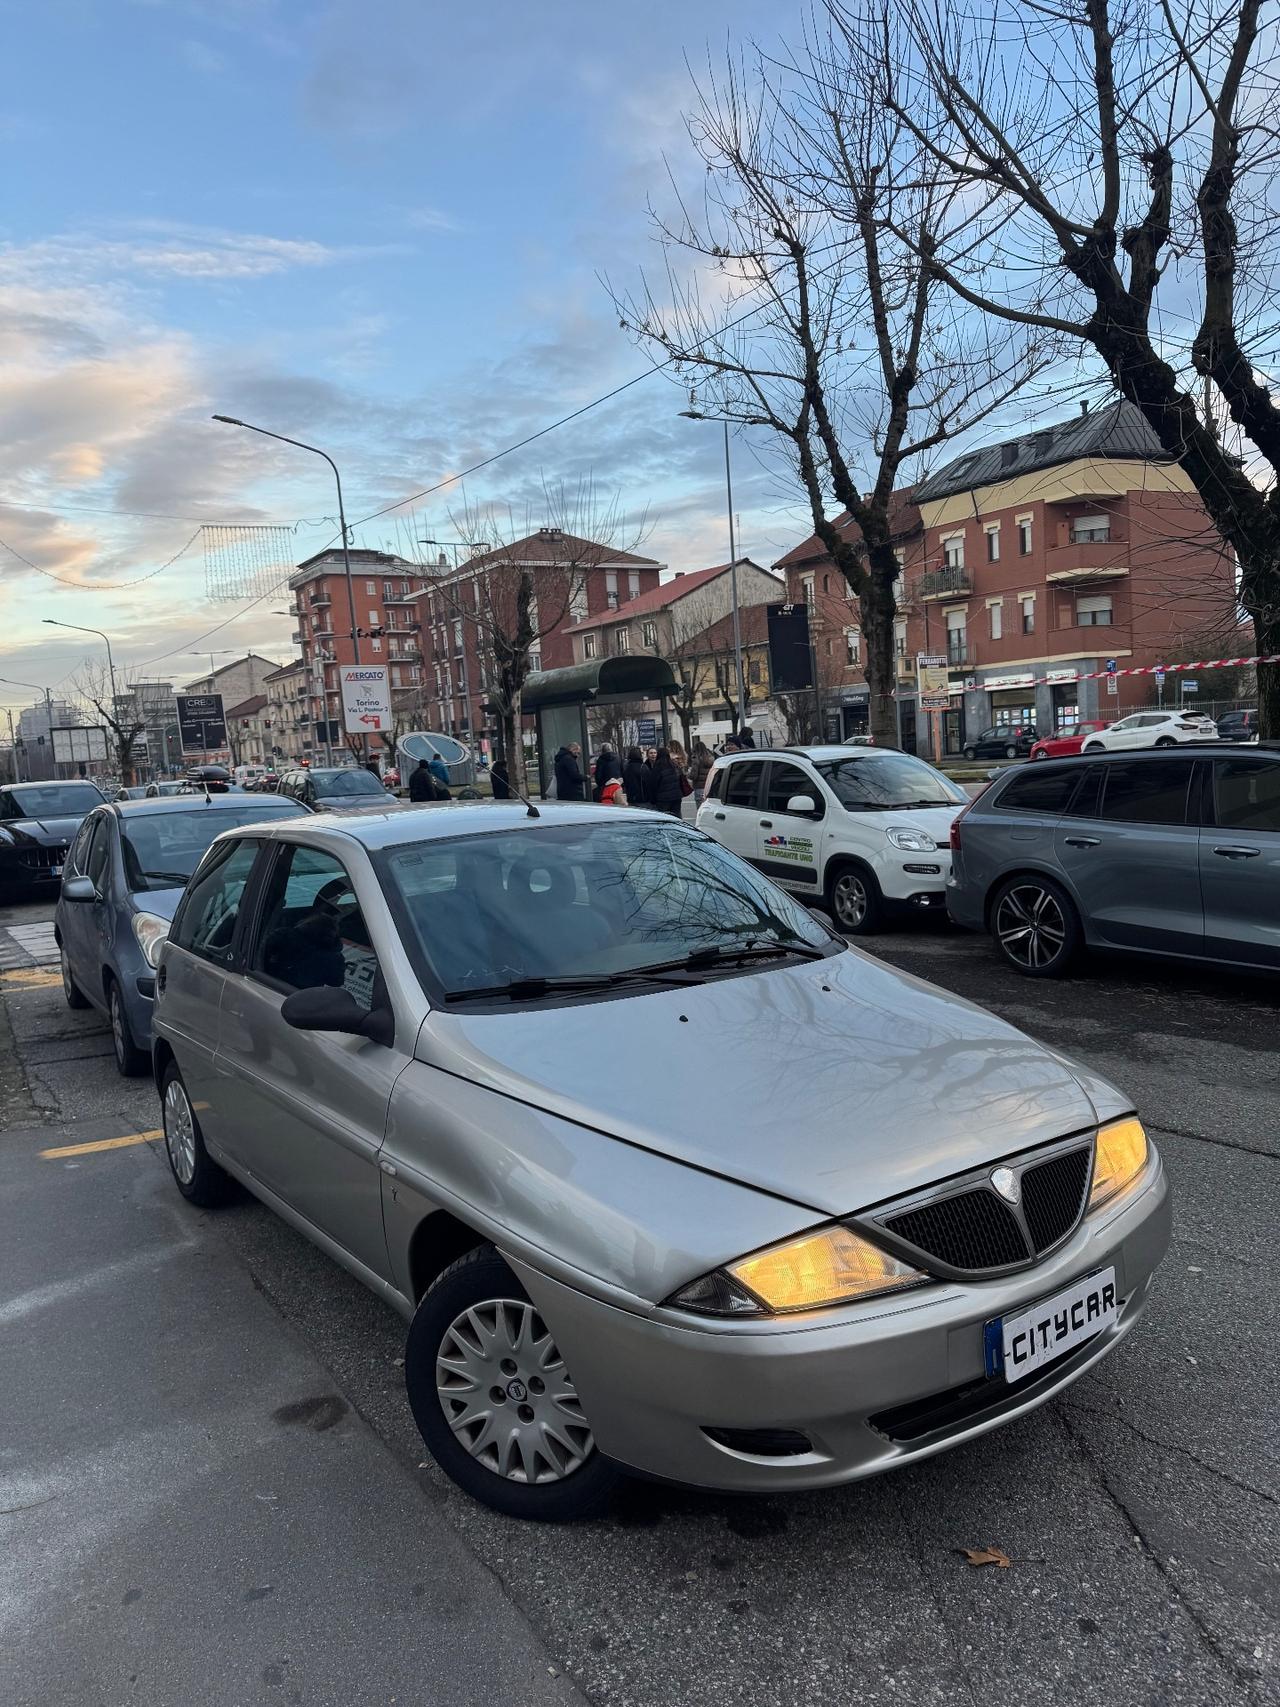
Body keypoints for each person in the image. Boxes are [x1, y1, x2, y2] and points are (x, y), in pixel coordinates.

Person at [650, 747, 683, 816]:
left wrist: (653, 799)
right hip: (676, 796)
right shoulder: (674, 765)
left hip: (663, 798)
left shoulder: (657, 767)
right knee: (676, 816)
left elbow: (654, 784)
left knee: (664, 817)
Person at [689, 738, 714, 804]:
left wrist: (688, 774)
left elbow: (693, 775)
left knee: (700, 809)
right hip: (709, 787)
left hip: (699, 787)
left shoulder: (696, 760)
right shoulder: (711, 759)